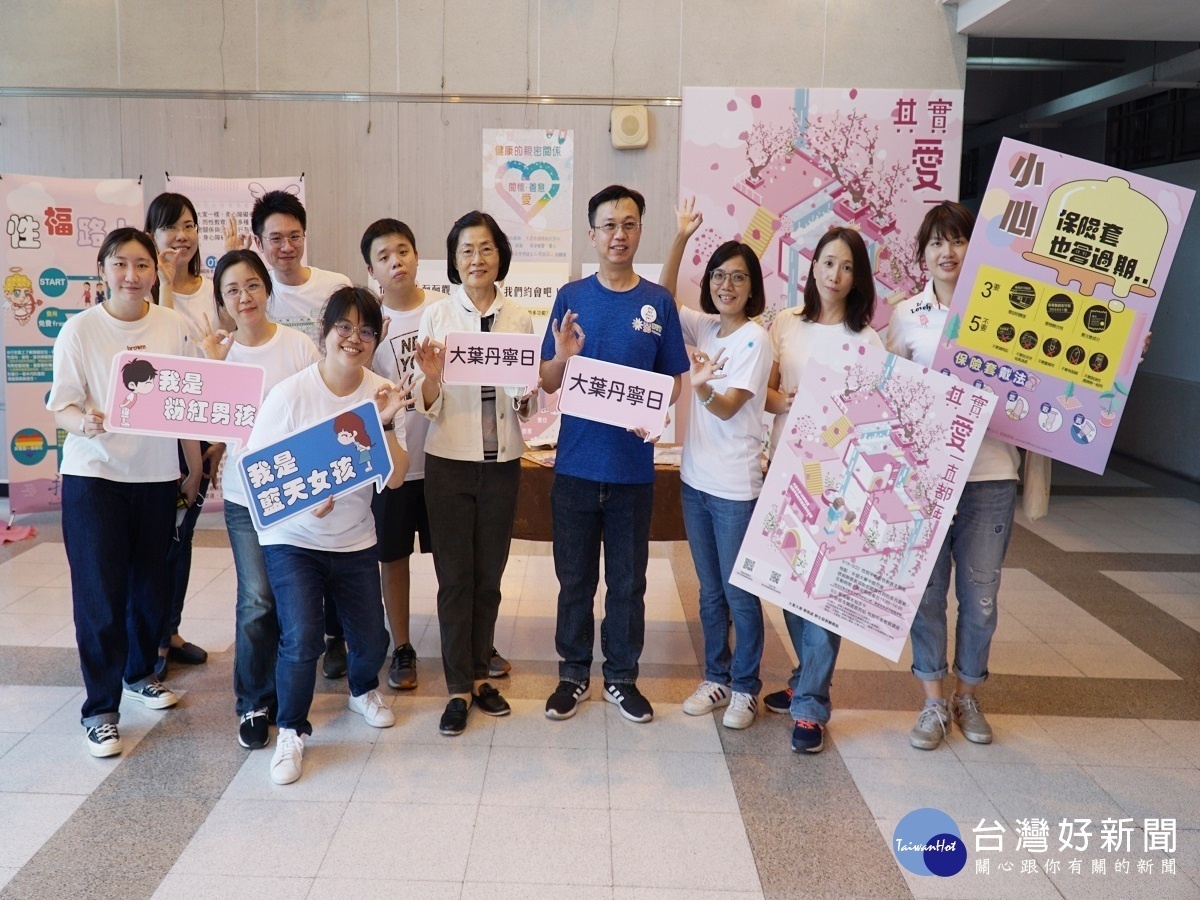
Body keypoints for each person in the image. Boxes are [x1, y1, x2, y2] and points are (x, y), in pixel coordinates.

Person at [245, 286, 409, 784]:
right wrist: (302, 497)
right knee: (302, 638)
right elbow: (263, 474)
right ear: (325, 332)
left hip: (356, 537)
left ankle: (362, 690)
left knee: (370, 636)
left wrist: (385, 423)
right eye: (344, 327)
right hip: (293, 540)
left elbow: (396, 477)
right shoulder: (290, 394)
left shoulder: (380, 390)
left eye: (365, 330)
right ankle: (292, 730)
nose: (353, 339)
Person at [47, 228, 200, 757]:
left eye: (141, 265)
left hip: (155, 478)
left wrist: (194, 464)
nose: (131, 276)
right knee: (99, 595)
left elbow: (190, 397)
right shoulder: (79, 331)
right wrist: (82, 423)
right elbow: (61, 405)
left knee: (147, 588)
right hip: (95, 479)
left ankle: (139, 675)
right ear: (102, 271)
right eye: (120, 265)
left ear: (155, 272)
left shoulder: (174, 326)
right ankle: (100, 710)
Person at [540, 185, 689, 724]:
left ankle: (622, 679)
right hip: (576, 466)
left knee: (628, 583)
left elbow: (673, 379)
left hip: (632, 471)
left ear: (639, 232)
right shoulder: (571, 297)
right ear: (593, 234)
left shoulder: (659, 303)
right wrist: (561, 354)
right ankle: (573, 674)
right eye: (609, 225)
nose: (619, 234)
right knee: (574, 579)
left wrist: (654, 412)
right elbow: (549, 382)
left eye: (629, 224)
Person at [885, 201, 1021, 751]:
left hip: (990, 472)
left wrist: (1125, 354)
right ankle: (933, 702)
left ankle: (968, 693)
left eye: (958, 240)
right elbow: (888, 389)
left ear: (974, 249)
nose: (947, 252)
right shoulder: (906, 317)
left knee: (981, 595)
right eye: (937, 243)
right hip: (926, 477)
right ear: (923, 254)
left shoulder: (1012, 309)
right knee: (927, 593)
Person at [412, 211, 536, 736]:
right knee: (454, 579)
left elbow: (527, 408)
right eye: (466, 251)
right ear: (454, 259)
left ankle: (483, 676)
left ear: (499, 256)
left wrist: (525, 393)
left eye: (485, 249)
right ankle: (458, 687)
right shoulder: (439, 317)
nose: (476, 260)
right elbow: (426, 404)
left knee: (490, 579)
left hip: (503, 465)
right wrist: (434, 378)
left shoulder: (520, 318)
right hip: (449, 465)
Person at [760, 226, 883, 754]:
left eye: (848, 266)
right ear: (811, 268)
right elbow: (759, 392)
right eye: (828, 263)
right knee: (790, 587)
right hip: (787, 473)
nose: (835, 274)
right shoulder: (786, 325)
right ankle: (805, 672)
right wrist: (783, 402)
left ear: (858, 278)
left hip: (840, 484)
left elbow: (878, 413)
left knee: (823, 596)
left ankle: (811, 704)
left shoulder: (867, 340)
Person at [194, 249, 319, 750]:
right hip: (247, 494)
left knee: (295, 600)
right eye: (231, 290)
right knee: (256, 599)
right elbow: (206, 428)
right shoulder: (220, 352)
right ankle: (253, 702)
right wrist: (213, 367)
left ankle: (293, 700)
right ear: (222, 301)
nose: (243, 297)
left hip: (293, 490)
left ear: (267, 289)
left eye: (251, 285)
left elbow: (318, 413)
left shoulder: (299, 347)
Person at [660, 198, 772, 730]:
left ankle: (747, 687)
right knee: (709, 592)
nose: (727, 285)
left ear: (753, 288)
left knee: (738, 592)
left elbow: (728, 406)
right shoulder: (706, 328)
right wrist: (681, 237)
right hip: (695, 481)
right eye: (719, 276)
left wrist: (702, 390)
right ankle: (717, 677)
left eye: (739, 278)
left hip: (736, 488)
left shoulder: (756, 338)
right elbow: (660, 299)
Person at [242, 190, 354, 679]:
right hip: (276, 438)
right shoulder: (253, 293)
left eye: (294, 236)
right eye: (275, 238)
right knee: (284, 565)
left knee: (336, 537)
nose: (286, 246)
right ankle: (288, 660)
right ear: (259, 242)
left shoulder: (334, 284)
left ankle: (337, 639)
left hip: (329, 432)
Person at [361, 219, 445, 691]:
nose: (396, 261)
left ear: (417, 256)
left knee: (451, 558)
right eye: (384, 256)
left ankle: (467, 640)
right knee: (392, 558)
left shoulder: (443, 308)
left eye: (403, 251)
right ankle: (403, 647)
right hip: (391, 465)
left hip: (442, 460)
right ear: (371, 268)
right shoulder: (367, 323)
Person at [145, 191, 224, 678]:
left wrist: (217, 437)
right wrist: (166, 281)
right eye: (171, 226)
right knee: (158, 537)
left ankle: (169, 630)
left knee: (183, 535)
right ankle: (150, 636)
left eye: (190, 225)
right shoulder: (141, 288)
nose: (183, 235)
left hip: (204, 425)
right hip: (161, 431)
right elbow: (167, 351)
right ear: (152, 235)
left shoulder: (215, 287)